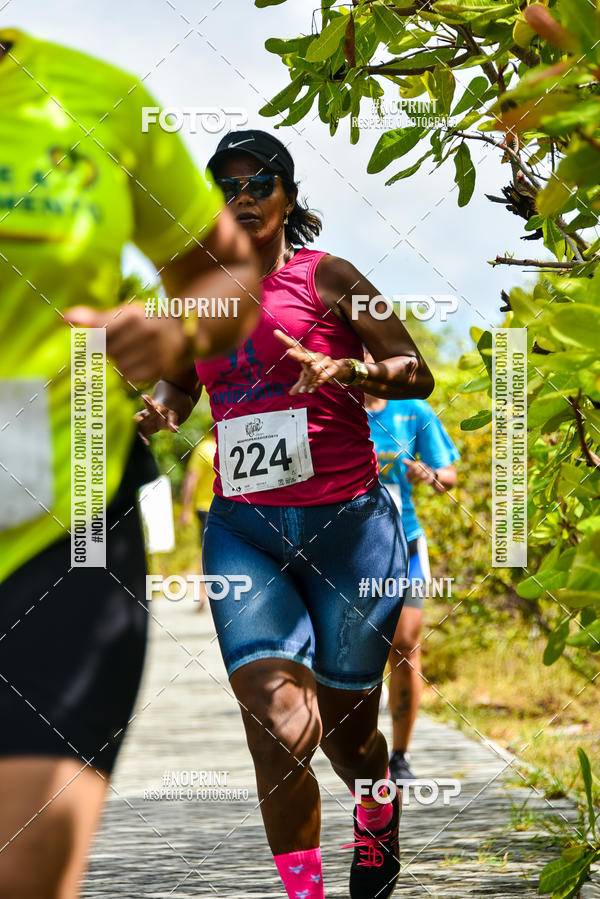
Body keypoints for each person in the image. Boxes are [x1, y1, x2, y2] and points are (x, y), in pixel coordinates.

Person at [138, 129, 434, 899]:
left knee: (346, 734)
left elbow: (416, 370)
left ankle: (376, 810)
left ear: (289, 196)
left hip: (351, 532)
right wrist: (161, 411)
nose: (242, 197)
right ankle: (303, 894)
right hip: (246, 533)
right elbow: (179, 386)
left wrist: (352, 366)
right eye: (226, 186)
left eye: (258, 182)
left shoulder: (332, 276)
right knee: (276, 726)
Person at [0, 29, 259, 899]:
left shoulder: (98, 98)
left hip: (58, 523)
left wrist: (177, 328)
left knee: (24, 867)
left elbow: (225, 273)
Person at [364, 387, 459, 782]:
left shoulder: (412, 409)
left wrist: (430, 474)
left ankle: (399, 756)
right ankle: (357, 749)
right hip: (346, 546)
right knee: (356, 652)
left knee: (404, 645)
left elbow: (448, 475)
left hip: (405, 543)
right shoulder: (330, 404)